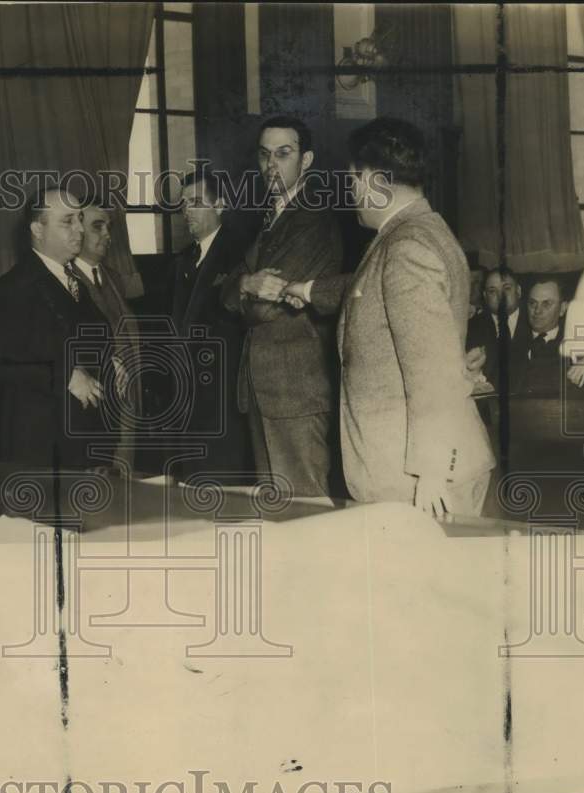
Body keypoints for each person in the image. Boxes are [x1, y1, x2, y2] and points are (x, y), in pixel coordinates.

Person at [331, 117, 495, 517]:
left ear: (376, 181)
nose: (350, 191)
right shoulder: (424, 232)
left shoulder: (406, 248)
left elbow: (431, 368)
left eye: (354, 179)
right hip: (415, 469)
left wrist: (433, 471)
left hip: (414, 480)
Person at [219, 115, 344, 497]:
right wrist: (246, 283)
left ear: (306, 160)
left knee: (304, 510)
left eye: (283, 154)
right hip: (267, 389)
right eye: (264, 155)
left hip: (295, 391)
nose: (271, 164)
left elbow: (264, 312)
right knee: (278, 510)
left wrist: (242, 289)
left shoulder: (313, 219)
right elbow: (225, 290)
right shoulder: (272, 216)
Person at [0, 187, 117, 469]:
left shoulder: (75, 284)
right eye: (67, 221)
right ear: (38, 229)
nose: (79, 229)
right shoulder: (12, 288)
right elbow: (2, 365)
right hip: (42, 447)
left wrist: (111, 362)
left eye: (80, 219)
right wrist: (66, 375)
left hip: (82, 444)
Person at [170, 169, 253, 478]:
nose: (187, 211)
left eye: (195, 202)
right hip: (189, 401)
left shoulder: (242, 253)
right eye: (183, 204)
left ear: (219, 205)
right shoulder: (182, 262)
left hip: (226, 399)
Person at [72, 201, 139, 466]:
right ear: (78, 230)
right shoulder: (66, 279)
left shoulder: (113, 277)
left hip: (127, 402)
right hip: (94, 407)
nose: (107, 234)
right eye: (97, 226)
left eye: (108, 226)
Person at [465, 269, 529, 392]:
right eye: (492, 291)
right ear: (485, 296)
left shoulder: (535, 320)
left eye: (507, 288)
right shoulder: (472, 327)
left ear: (519, 291)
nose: (500, 296)